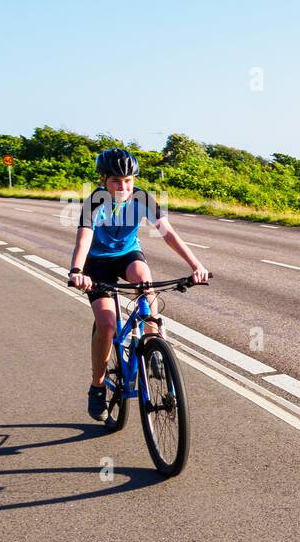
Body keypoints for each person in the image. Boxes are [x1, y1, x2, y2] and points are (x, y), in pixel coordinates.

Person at [67, 148, 209, 420]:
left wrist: (196, 266)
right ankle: (97, 386)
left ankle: (154, 346)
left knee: (146, 282)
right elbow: (83, 239)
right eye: (116, 182)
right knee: (107, 324)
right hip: (96, 264)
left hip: (127, 255)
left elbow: (168, 234)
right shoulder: (94, 202)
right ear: (103, 180)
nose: (124, 187)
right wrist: (76, 271)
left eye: (129, 180)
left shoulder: (142, 197)